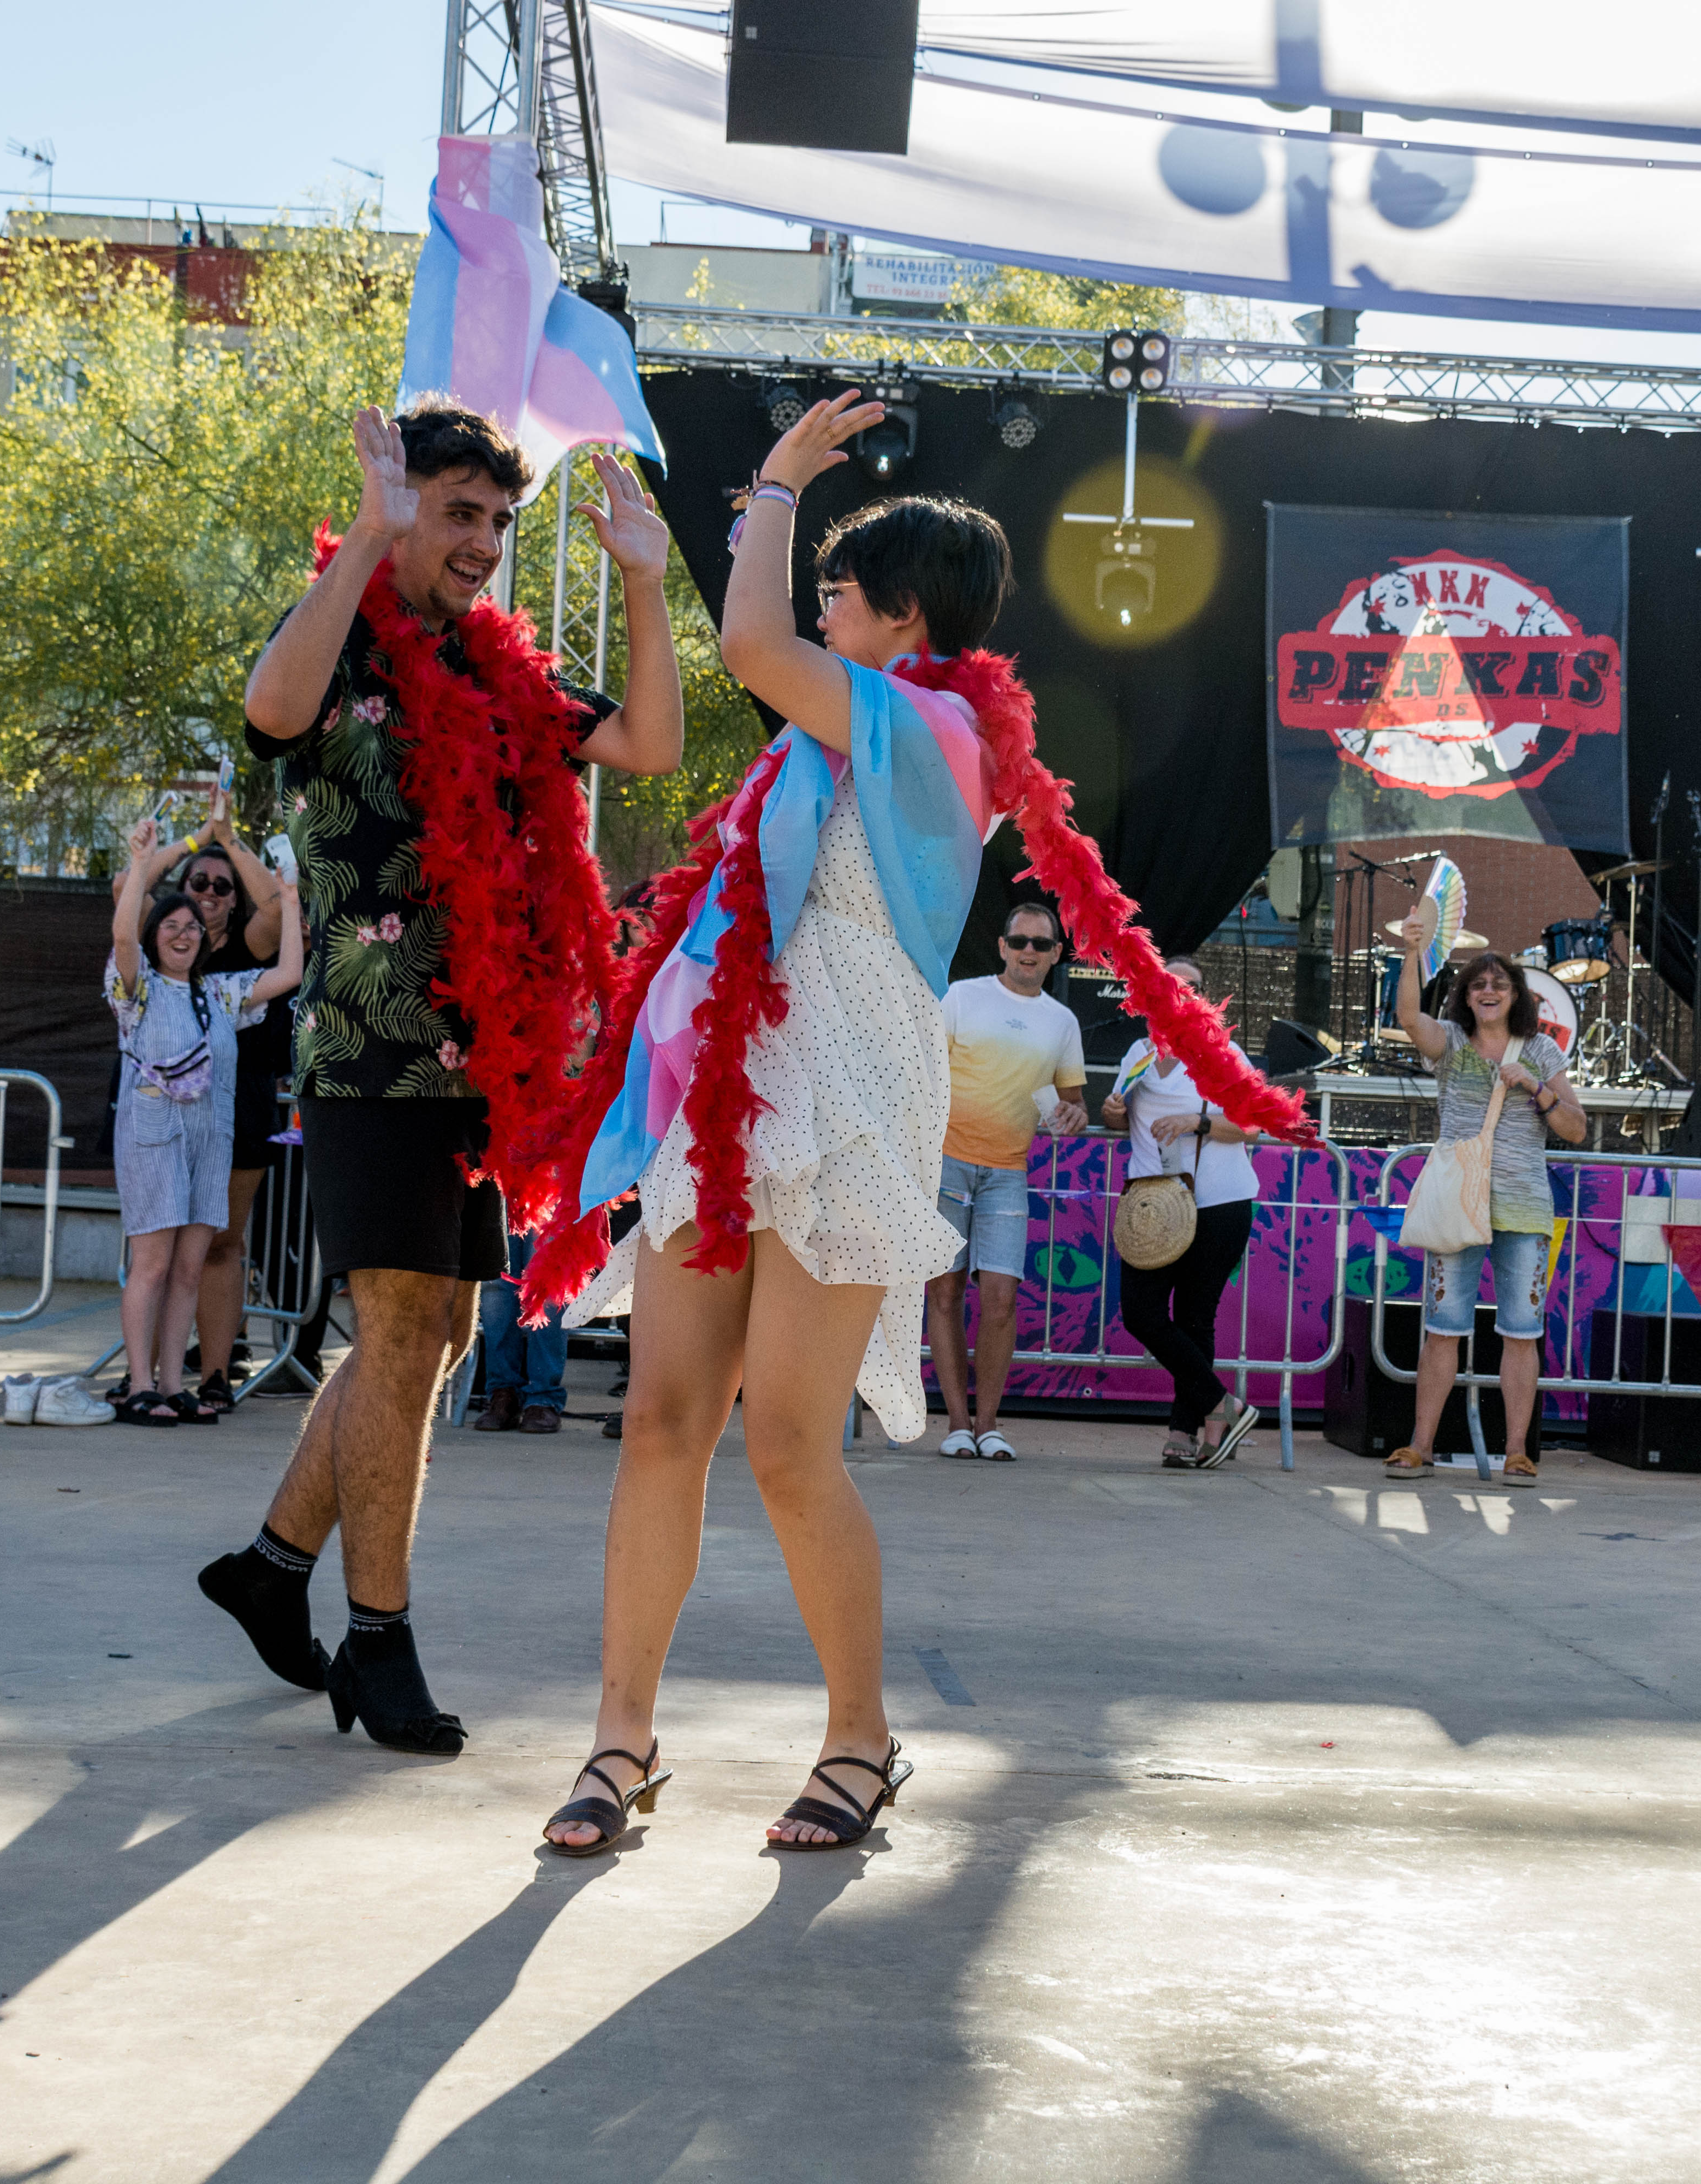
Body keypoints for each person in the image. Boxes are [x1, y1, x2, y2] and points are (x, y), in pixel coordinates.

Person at [524, 392, 1305, 1855]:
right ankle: (619, 1741)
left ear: (902, 616)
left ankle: (862, 1740)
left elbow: (751, 648)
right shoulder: (823, 746)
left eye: (838, 587)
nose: (814, 605)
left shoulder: (938, 734)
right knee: (661, 1424)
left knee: (789, 1447)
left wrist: (766, 485)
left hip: (853, 1081)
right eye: (818, 580)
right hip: (744, 1083)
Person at [192, 401, 686, 1750]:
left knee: (443, 1337)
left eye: (497, 522)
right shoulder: (340, 631)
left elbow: (649, 745)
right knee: (404, 1339)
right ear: (402, 505)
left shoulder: (499, 670)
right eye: (457, 513)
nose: (482, 544)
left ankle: (271, 1566)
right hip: (369, 1054)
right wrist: (364, 537)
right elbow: (271, 708)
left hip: (484, 1065)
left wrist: (644, 578)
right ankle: (378, 1640)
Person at [107, 817, 305, 1425]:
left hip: (207, 1145)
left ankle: (173, 1383)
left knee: (191, 1265)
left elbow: (290, 974)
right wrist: (144, 863)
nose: (184, 934)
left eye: (192, 928)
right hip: (152, 1139)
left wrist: (292, 899)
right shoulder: (133, 987)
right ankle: (139, 1382)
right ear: (153, 935)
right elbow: (121, 933)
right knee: (154, 1264)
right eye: (171, 925)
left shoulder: (218, 993)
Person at [1383, 939, 1584, 1483]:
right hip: (1458, 1205)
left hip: (1523, 1208)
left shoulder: (1541, 1051)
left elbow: (1576, 1127)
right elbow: (1407, 1015)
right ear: (1464, 997)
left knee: (1521, 1331)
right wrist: (1411, 950)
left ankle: (1517, 1451)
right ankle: (1419, 1445)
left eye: (1499, 983)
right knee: (1443, 1328)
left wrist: (1537, 1089)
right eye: (1479, 984)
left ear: (1517, 994)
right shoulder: (1450, 1042)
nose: (1490, 991)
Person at [927, 899, 1089, 1461]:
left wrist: (1074, 1116)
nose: (1028, 952)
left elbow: (1074, 1104)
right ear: (1001, 946)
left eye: (1040, 945)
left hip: (1007, 1172)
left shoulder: (1062, 1022)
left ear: (1056, 956)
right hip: (944, 1162)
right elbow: (925, 1073)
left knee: (1001, 1299)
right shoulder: (963, 996)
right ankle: (956, 1423)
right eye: (1019, 941)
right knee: (943, 1291)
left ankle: (989, 1425)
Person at [1105, 956, 1266, 1468]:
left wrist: (1197, 1122)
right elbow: (1122, 1121)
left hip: (1218, 1203)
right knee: (1142, 1313)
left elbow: (1251, 1127)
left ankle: (1188, 1429)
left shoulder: (1224, 1053)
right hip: (1154, 1206)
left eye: (1191, 987)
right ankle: (1221, 1405)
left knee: (1195, 1318)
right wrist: (1113, 1114)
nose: (1180, 993)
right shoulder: (1138, 1053)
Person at [160, 784, 288, 1414]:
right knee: (158, 1240)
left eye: (220, 885)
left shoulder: (249, 949)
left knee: (219, 1243)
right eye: (197, 882)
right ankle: (154, 1378)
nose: (207, 893)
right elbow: (123, 895)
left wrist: (228, 838)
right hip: (161, 1112)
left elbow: (278, 909)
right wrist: (190, 841)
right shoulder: (158, 947)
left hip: (239, 1109)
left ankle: (215, 1374)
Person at [473, 1231, 567, 1432]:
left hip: (552, 1198)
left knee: (547, 1277)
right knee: (496, 1282)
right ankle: (503, 1394)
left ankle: (543, 1398)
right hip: (499, 1198)